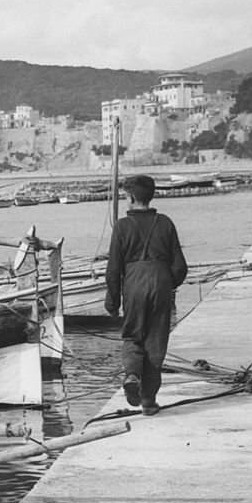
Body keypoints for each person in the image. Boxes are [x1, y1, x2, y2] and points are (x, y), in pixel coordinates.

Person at [104, 174, 188, 415]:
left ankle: (132, 374)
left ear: (130, 197)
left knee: (132, 336)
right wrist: (167, 283)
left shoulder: (121, 226)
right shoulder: (165, 223)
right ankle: (149, 401)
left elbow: (113, 269)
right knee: (156, 341)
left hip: (134, 283)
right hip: (161, 281)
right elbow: (180, 266)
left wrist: (113, 301)